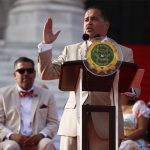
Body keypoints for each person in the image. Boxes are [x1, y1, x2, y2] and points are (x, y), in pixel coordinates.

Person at [37, 6, 134, 150]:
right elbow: (47, 73)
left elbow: (133, 83)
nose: (88, 23)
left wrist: (130, 90)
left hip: (107, 124)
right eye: (86, 20)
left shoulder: (123, 52)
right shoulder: (70, 50)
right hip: (73, 123)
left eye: (94, 19)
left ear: (106, 25)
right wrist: (47, 45)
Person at [0, 57, 59, 150]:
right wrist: (12, 135)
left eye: (30, 71)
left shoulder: (47, 95)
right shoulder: (2, 94)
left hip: (38, 140)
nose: (26, 74)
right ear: (14, 75)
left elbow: (54, 122)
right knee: (11, 147)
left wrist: (41, 135)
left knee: (47, 143)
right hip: (11, 140)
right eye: (21, 71)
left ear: (35, 74)